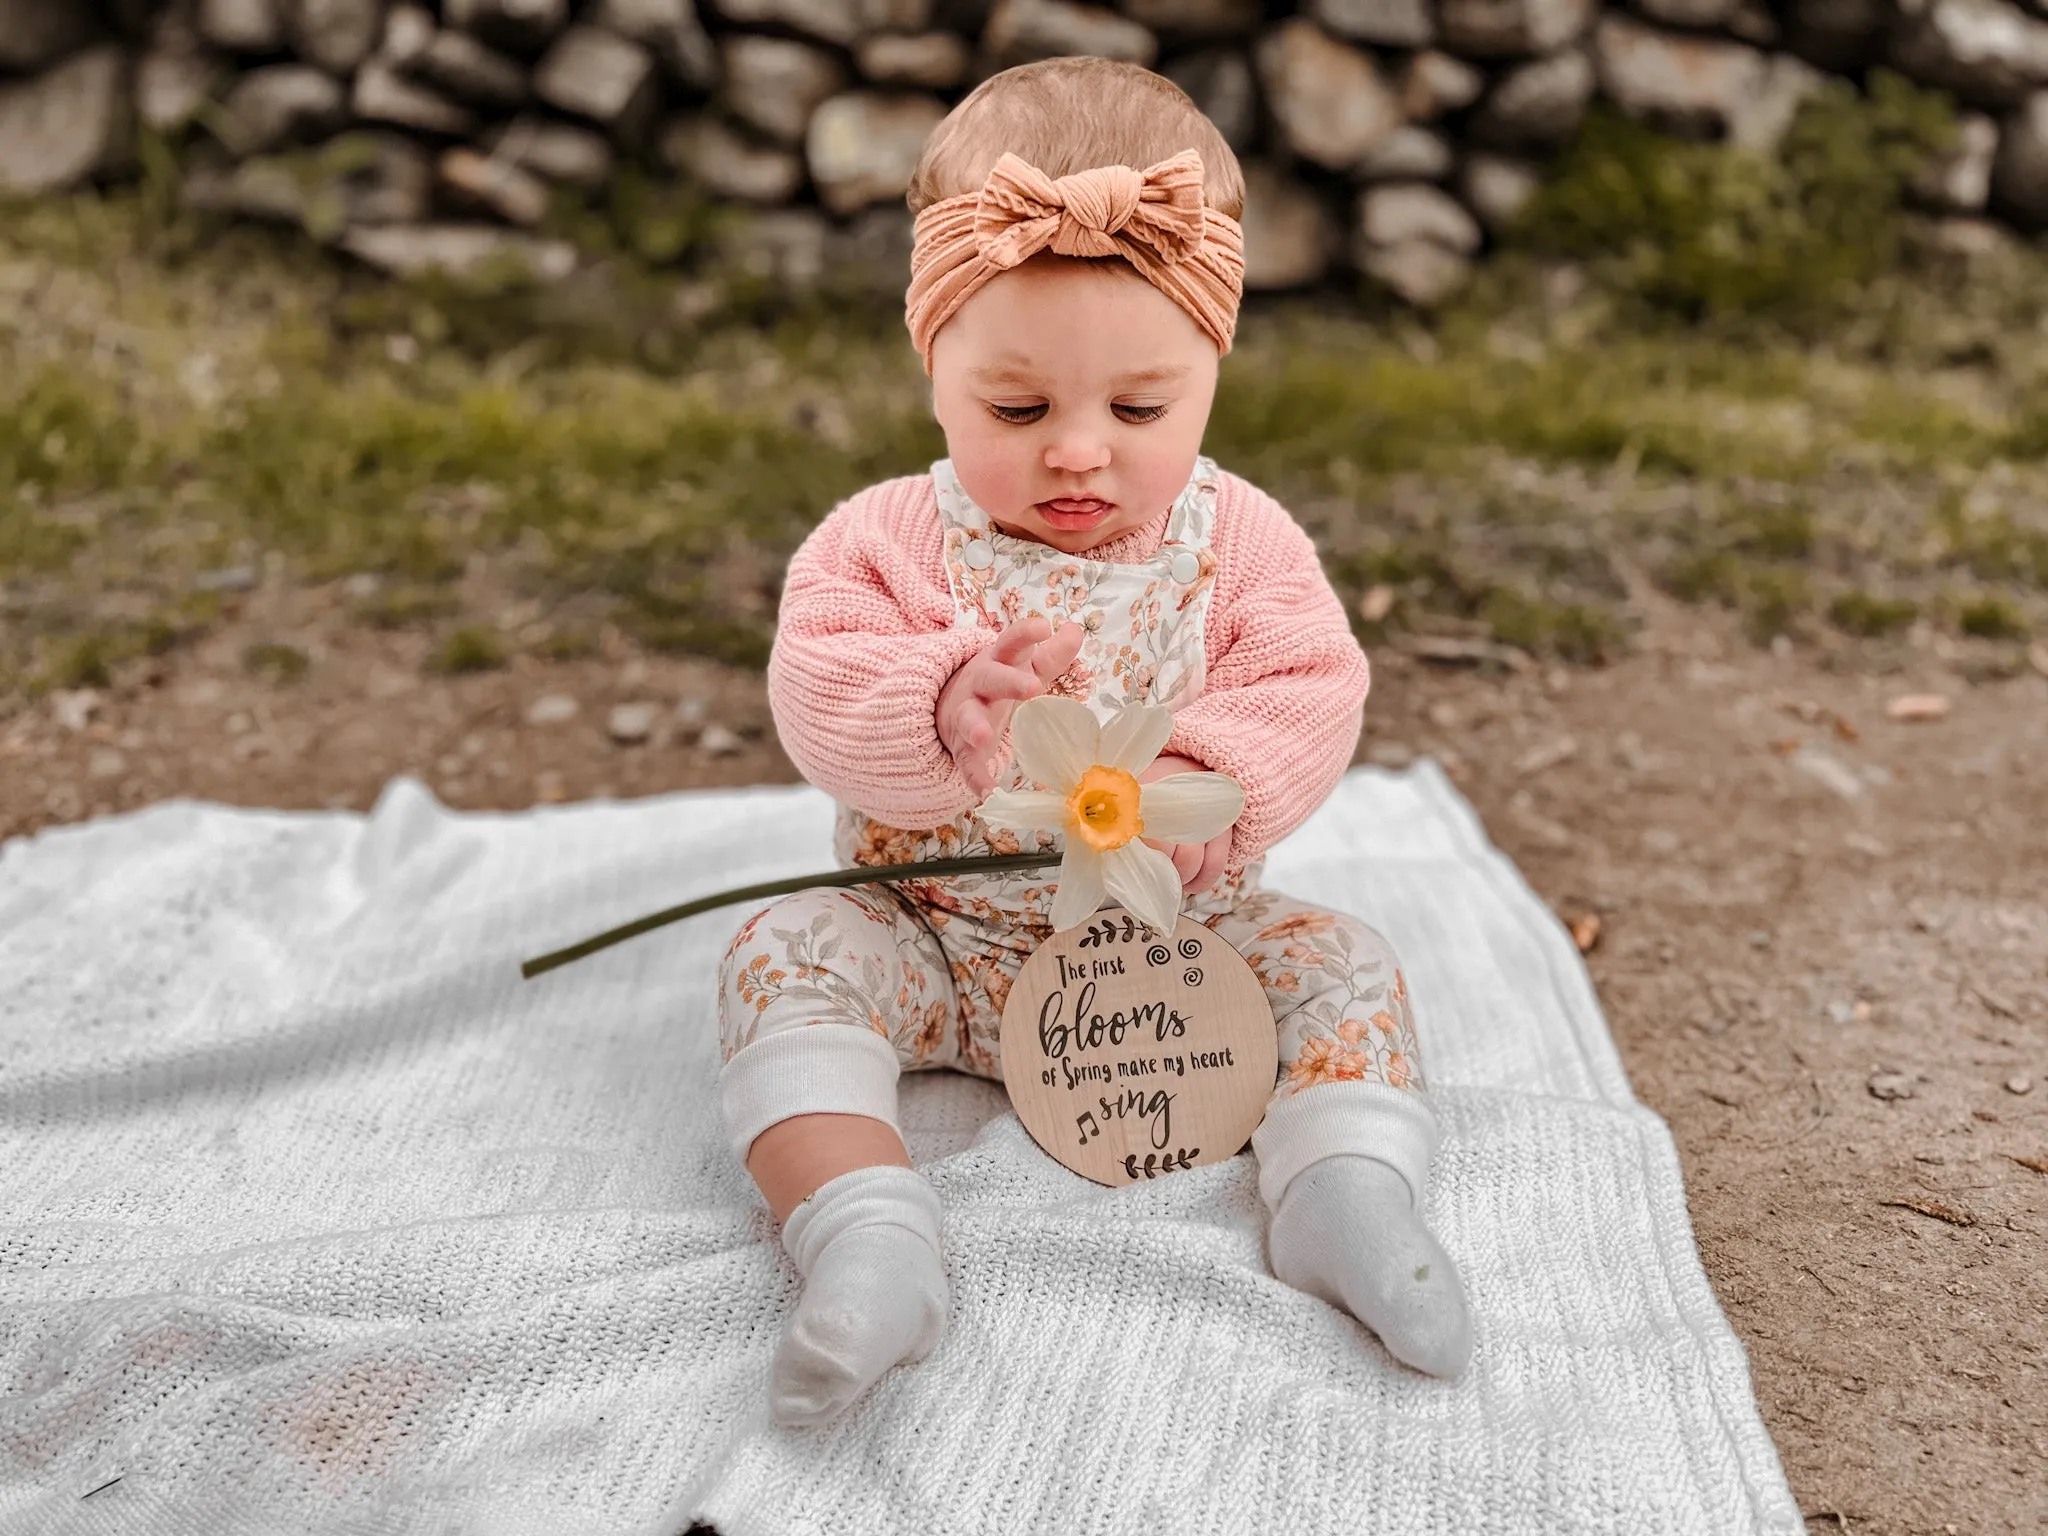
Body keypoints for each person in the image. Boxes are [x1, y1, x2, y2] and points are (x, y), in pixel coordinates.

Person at [716, 55, 1472, 1428]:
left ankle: (1342, 1191)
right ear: (931, 361)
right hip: (935, 934)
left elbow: (1310, 681)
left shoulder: (1237, 544)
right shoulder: (883, 544)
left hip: (1180, 959)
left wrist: (1206, 790)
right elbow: (817, 684)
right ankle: (860, 1227)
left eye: (1139, 410)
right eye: (1018, 409)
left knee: (1349, 968)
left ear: (1211, 377)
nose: (1078, 453)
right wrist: (933, 705)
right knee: (782, 957)